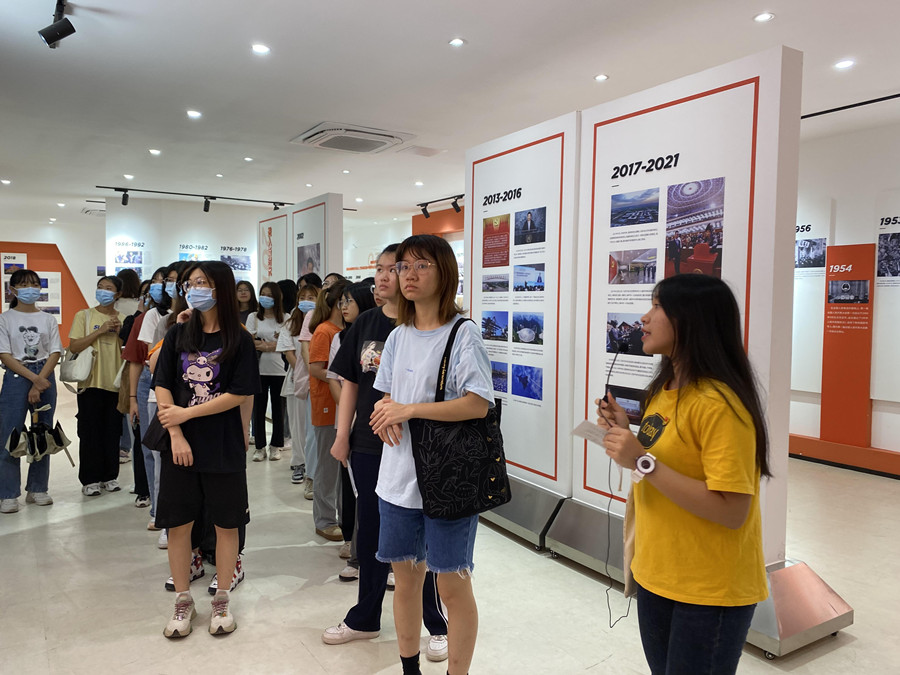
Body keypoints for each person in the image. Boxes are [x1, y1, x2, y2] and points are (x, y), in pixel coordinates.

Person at [598, 274, 770, 675]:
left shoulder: (720, 405)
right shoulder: (664, 389)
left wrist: (642, 461)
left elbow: (732, 511)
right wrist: (626, 432)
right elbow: (668, 460)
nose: (644, 317)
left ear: (692, 320)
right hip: (657, 574)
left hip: (708, 590)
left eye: (658, 306)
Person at [369, 234, 493, 675]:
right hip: (397, 479)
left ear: (445, 273)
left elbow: (477, 403)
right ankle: (410, 669)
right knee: (405, 581)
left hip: (447, 480)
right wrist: (385, 412)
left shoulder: (463, 333)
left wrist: (409, 410)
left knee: (452, 586)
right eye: (403, 266)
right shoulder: (398, 336)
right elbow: (387, 395)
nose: (409, 275)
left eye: (422, 265)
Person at [323, 247, 449, 663]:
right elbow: (351, 384)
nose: (383, 277)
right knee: (372, 529)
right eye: (380, 269)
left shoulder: (429, 328)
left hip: (418, 447)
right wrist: (342, 435)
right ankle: (365, 617)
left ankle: (436, 623)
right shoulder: (367, 323)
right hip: (368, 443)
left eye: (394, 269)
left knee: (422, 538)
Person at [153, 260, 259, 638]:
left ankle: (222, 600)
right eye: (191, 283)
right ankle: (183, 600)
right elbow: (162, 383)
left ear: (221, 289)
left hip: (222, 444)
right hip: (180, 445)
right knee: (179, 524)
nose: (194, 288)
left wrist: (189, 412)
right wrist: (177, 431)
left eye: (202, 282)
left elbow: (239, 392)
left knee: (227, 524)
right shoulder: (179, 332)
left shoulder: (239, 340)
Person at [0, 269, 62, 513]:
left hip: (45, 375)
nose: (31, 289)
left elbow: (55, 351)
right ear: (13, 290)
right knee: (10, 434)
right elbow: (4, 354)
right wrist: (34, 380)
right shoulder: (5, 318)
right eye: (25, 284)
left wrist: (40, 380)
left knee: (42, 433)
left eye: (35, 284)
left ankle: (38, 488)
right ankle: (8, 493)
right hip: (17, 376)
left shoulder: (47, 319)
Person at [327, 279, 377, 579]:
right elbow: (343, 380)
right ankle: (358, 555)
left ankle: (388, 561)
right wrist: (343, 430)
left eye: (349, 301)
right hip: (358, 428)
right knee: (360, 497)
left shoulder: (405, 328)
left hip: (390, 428)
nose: (344, 307)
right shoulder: (355, 331)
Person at [68, 275, 126, 496]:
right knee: (90, 432)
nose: (103, 291)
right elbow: (74, 345)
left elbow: (129, 350)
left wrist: (120, 332)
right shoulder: (84, 315)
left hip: (115, 383)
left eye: (108, 288)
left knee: (113, 431)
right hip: (90, 382)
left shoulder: (123, 318)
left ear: (118, 294)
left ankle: (110, 476)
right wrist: (100, 331)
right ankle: (90, 480)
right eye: (100, 287)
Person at [308, 277, 348, 540]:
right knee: (327, 468)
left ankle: (340, 518)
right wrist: (342, 379)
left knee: (340, 470)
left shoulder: (343, 329)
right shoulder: (325, 330)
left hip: (341, 407)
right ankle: (324, 520)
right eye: (346, 301)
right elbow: (315, 368)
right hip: (326, 406)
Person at [277, 283, 317, 487]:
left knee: (313, 427)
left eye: (311, 297)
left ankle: (312, 466)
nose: (306, 301)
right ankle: (299, 463)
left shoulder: (320, 323)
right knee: (298, 425)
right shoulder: (290, 324)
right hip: (296, 379)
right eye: (302, 297)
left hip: (317, 380)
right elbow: (289, 353)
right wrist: (302, 372)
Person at [246, 281, 287, 462]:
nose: (266, 298)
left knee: (278, 410)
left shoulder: (285, 318)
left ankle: (276, 445)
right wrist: (273, 344)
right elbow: (249, 341)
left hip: (280, 370)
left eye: (270, 295)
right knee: (258, 409)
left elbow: (286, 343)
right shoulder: (253, 317)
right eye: (263, 294)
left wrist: (264, 344)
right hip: (258, 370)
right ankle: (260, 447)